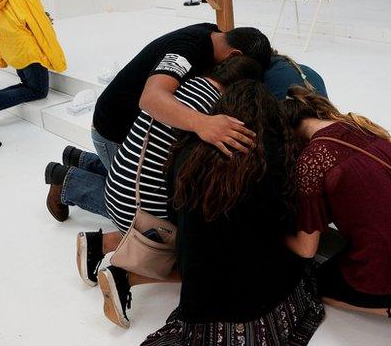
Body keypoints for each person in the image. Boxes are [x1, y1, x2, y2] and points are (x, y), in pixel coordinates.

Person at [97, 80, 324, 345]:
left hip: (198, 297)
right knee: (305, 265)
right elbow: (283, 225)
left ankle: (118, 264)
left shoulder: (187, 153)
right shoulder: (275, 160)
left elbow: (175, 213)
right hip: (254, 298)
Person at [281, 87, 391, 346]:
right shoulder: (361, 126)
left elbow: (306, 250)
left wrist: (275, 235)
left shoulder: (311, 160)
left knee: (317, 284)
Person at [48, 23, 271, 216]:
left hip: (130, 128)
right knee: (145, 214)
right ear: (234, 56)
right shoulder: (187, 51)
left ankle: (80, 159)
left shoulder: (213, 35)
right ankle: (67, 182)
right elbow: (151, 98)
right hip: (114, 131)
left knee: (135, 173)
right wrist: (203, 123)